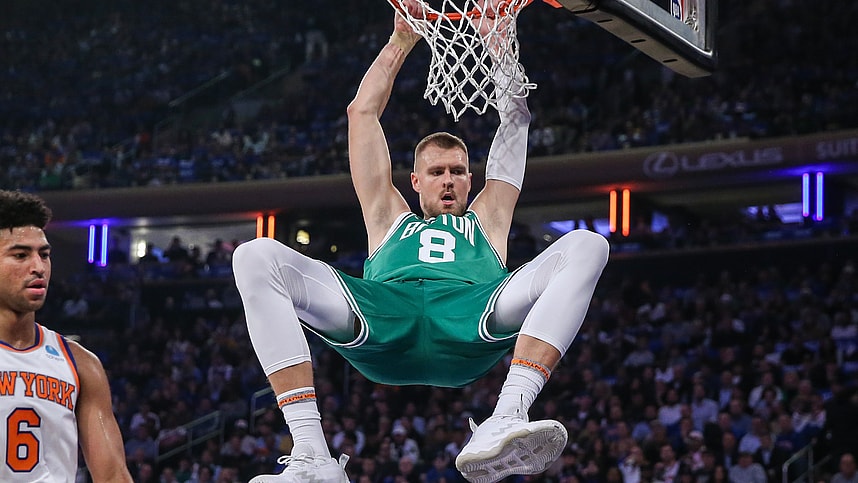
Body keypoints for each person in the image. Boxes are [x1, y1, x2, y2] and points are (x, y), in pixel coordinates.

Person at [231, 4, 609, 483]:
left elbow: (515, 119)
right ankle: (311, 457)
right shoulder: (387, 215)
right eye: (437, 172)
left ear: (471, 180)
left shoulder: (489, 215)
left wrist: (498, 45)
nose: (448, 181)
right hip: (383, 314)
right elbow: (361, 112)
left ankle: (507, 415)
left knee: (587, 245)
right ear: (415, 180)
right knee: (255, 255)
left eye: (457, 172)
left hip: (471, 318)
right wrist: (401, 40)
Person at [0, 189, 132, 482]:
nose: (38, 267)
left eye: (44, 254)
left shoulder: (81, 363)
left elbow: (112, 475)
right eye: (20, 255)